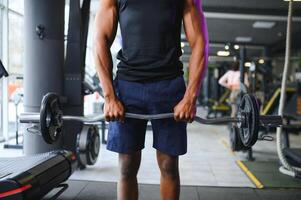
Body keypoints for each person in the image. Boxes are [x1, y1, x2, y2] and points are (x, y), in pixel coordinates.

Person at [94, 0, 208, 199]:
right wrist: (110, 97)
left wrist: (190, 97)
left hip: (169, 87)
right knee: (127, 167)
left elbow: (200, 42)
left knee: (168, 165)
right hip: (128, 86)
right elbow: (100, 41)